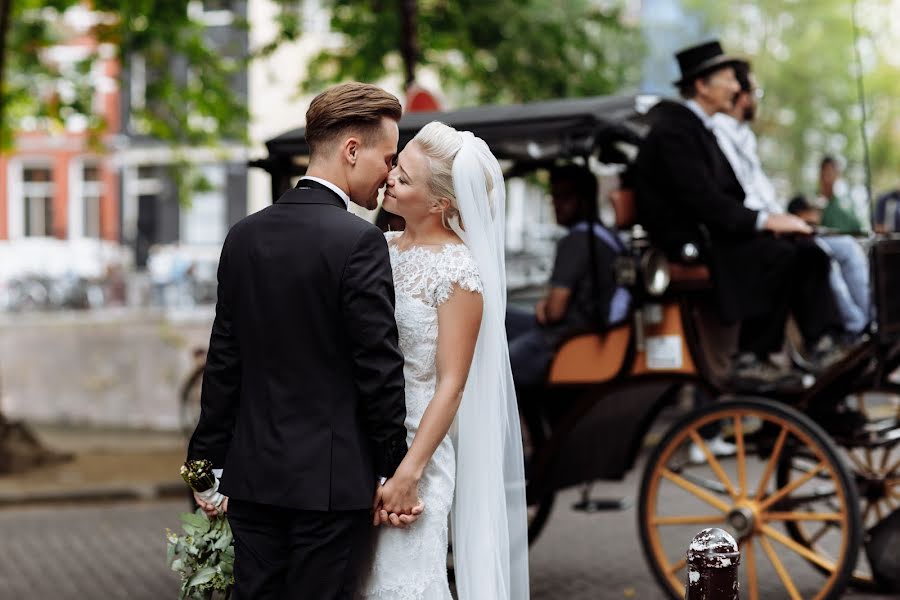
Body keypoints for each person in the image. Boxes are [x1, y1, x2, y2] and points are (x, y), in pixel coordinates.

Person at [187, 82, 418, 600]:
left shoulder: (243, 235)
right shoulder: (358, 241)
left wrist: (205, 466)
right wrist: (392, 468)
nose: (389, 174)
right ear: (351, 151)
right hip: (331, 488)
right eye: (387, 157)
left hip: (252, 480)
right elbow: (378, 368)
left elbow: (225, 360)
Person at [359, 121, 529, 599]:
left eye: (406, 178)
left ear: (441, 203)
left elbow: (452, 384)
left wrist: (408, 475)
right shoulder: (381, 248)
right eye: (396, 165)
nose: (390, 177)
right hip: (363, 443)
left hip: (420, 449)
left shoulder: (458, 271)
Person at [635, 40, 844, 389]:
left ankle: (823, 344)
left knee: (806, 250)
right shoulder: (675, 130)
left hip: (717, 232)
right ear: (702, 85)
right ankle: (753, 356)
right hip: (693, 241)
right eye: (729, 79)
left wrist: (771, 223)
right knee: (782, 255)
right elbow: (701, 200)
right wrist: (763, 222)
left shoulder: (699, 128)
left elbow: (726, 196)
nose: (737, 87)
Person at [713, 61, 870, 337]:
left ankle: (870, 324)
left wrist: (788, 220)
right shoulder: (718, 133)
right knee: (817, 252)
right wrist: (778, 221)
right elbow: (740, 201)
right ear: (744, 98)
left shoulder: (743, 136)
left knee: (847, 246)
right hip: (751, 232)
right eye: (755, 93)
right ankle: (852, 330)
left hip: (771, 223)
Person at [506, 164, 629, 389]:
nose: (555, 203)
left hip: (568, 339)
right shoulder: (609, 237)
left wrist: (545, 306)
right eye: (553, 195)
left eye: (563, 196)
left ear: (583, 199)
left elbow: (554, 312)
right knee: (502, 316)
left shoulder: (576, 241)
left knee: (499, 368)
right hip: (590, 331)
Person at [817, 156, 865, 234]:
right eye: (823, 173)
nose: (826, 178)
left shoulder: (843, 205)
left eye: (829, 173)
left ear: (837, 175)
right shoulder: (820, 204)